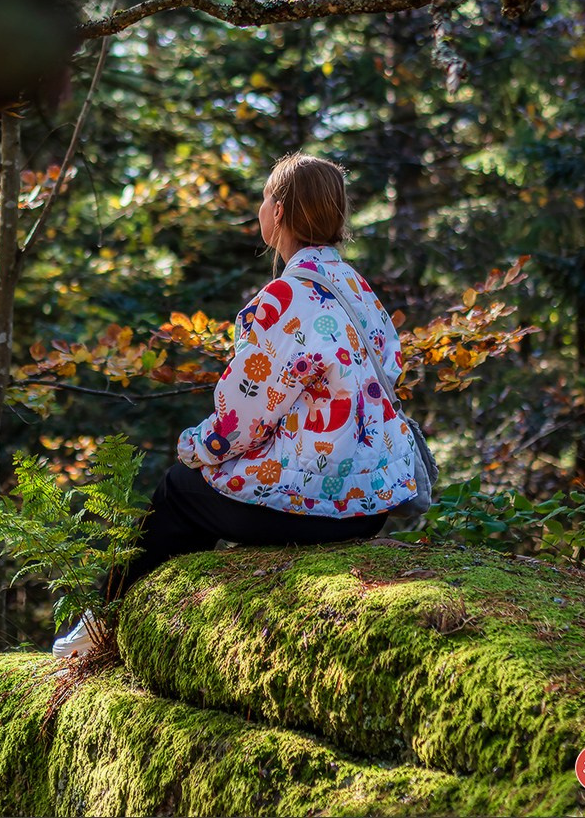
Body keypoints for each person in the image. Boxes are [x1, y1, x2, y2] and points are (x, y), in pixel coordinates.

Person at [53, 153, 417, 657]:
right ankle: (134, 624)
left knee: (181, 488)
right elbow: (389, 370)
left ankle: (101, 629)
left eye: (267, 197)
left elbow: (239, 418)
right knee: (200, 489)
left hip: (318, 506)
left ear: (282, 212)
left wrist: (195, 447)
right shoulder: (357, 289)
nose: (261, 206)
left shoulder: (287, 299)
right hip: (371, 503)